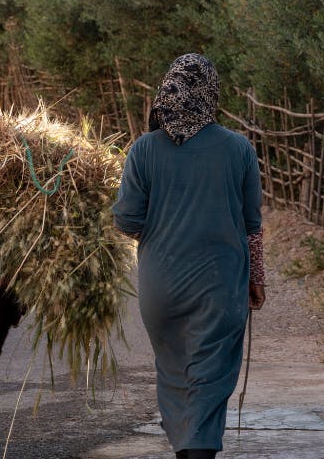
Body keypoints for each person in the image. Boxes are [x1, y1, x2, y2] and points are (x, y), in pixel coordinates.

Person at [111, 53, 265, 459]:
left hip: (160, 289)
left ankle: (186, 448)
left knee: (175, 372)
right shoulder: (239, 149)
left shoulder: (144, 150)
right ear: (211, 93)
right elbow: (252, 225)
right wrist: (257, 280)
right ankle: (197, 452)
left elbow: (127, 220)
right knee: (209, 376)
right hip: (220, 286)